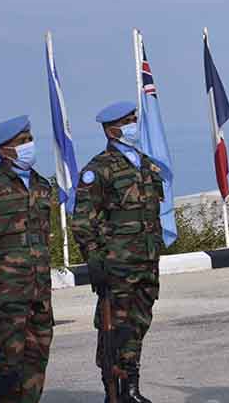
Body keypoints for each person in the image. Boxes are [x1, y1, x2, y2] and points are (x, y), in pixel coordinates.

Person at [73, 101, 165, 402]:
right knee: (114, 329)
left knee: (138, 325)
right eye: (127, 121)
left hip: (146, 261)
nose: (133, 126)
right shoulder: (97, 170)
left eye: (134, 119)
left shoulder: (147, 164)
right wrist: (95, 262)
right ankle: (113, 389)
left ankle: (132, 387)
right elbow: (83, 222)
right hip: (117, 265)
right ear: (111, 129)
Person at [0, 116, 54, 403]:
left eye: (29, 139)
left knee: (35, 366)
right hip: (6, 298)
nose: (29, 146)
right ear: (4, 150)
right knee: (6, 372)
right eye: (22, 142)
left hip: (40, 295)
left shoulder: (42, 185)